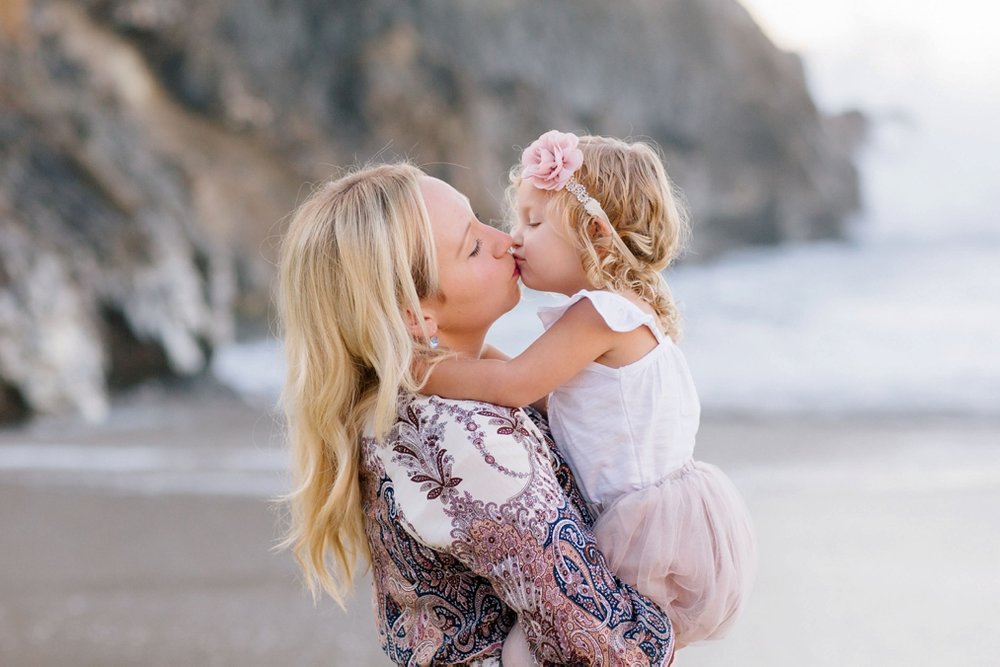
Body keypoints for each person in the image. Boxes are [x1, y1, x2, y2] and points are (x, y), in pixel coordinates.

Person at [276, 162, 676, 665]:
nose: (505, 240)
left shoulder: (435, 400)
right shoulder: (464, 443)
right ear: (415, 316)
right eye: (471, 246)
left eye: (481, 219)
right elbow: (612, 647)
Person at [422, 131, 757, 663]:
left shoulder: (601, 314)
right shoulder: (620, 312)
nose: (514, 238)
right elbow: (556, 405)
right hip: (660, 517)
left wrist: (423, 370)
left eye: (534, 223)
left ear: (596, 237)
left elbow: (517, 388)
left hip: (643, 524)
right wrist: (479, 356)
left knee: (534, 650)